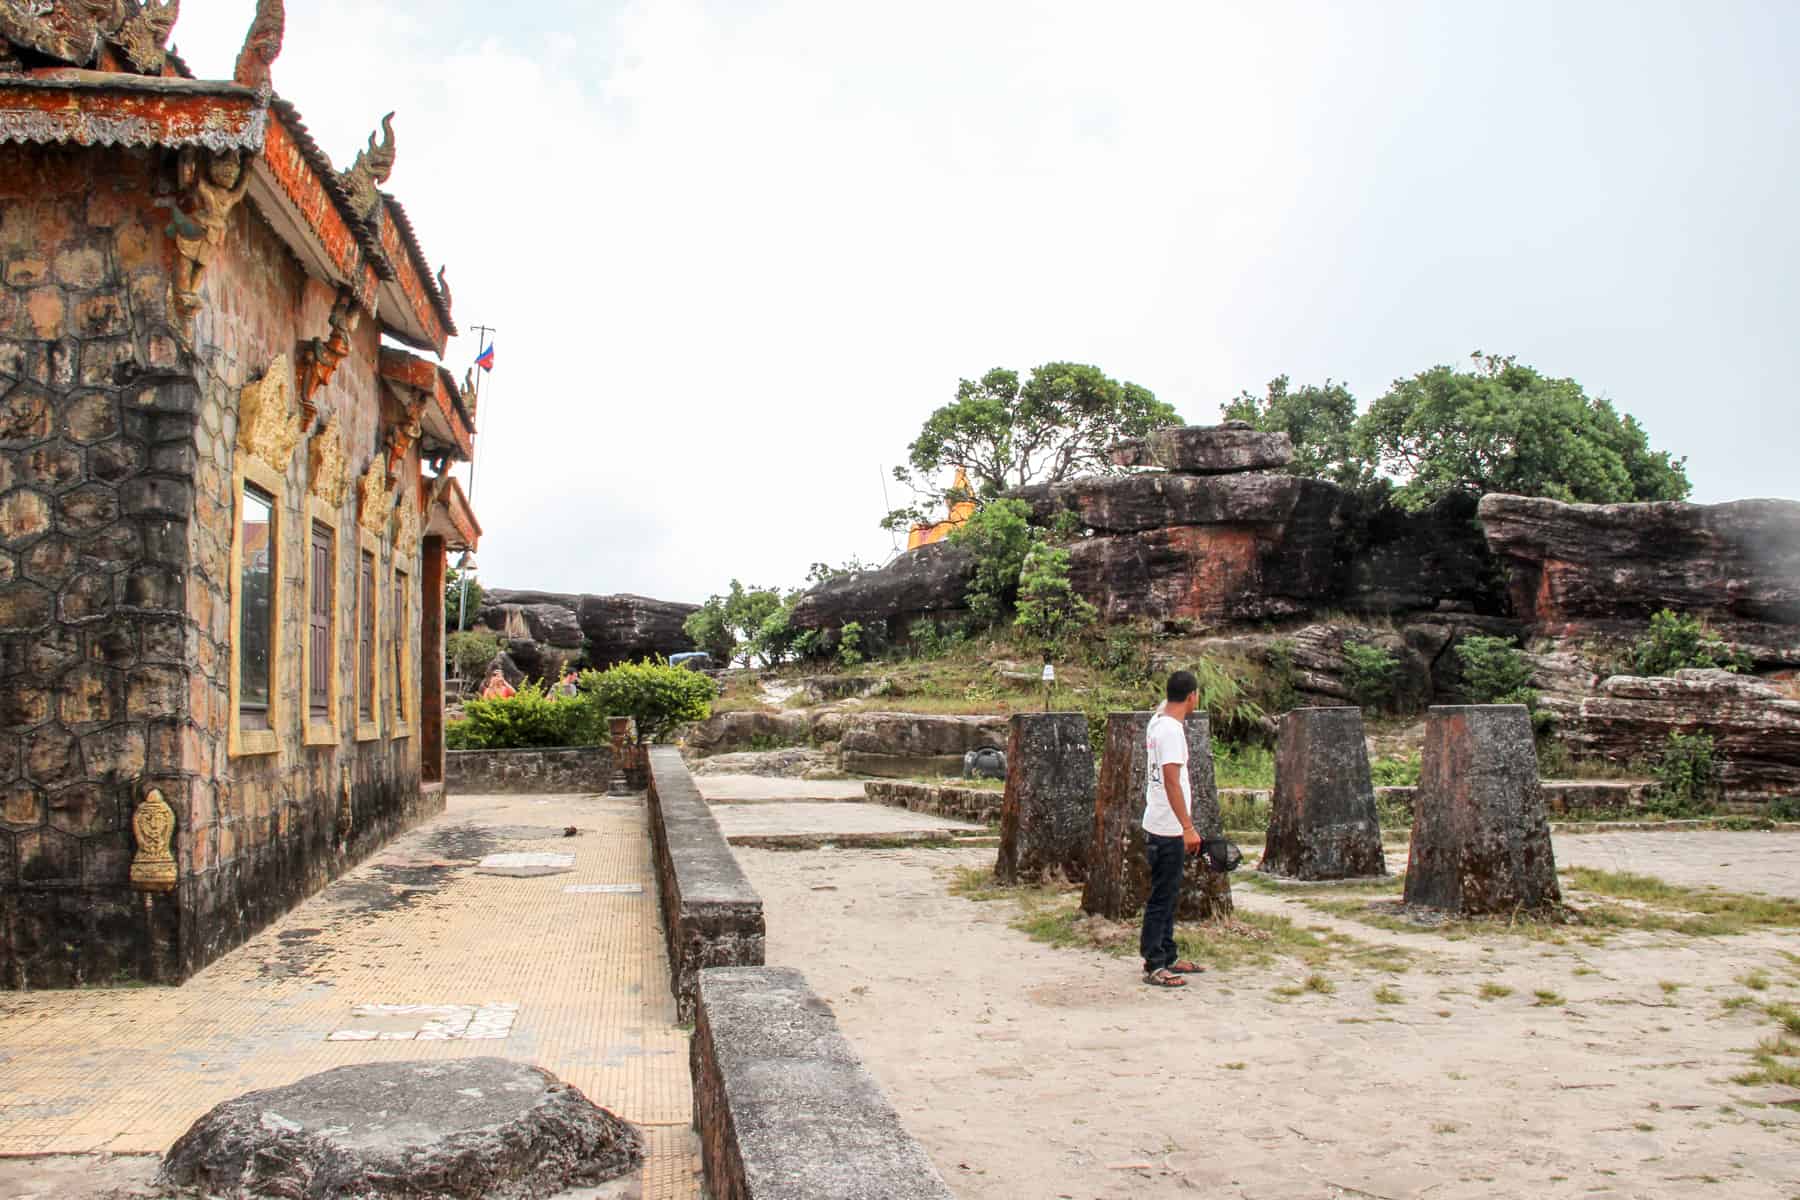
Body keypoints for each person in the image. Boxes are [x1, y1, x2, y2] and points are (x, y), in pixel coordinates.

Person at [1141, 670, 1206, 988]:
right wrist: (1187, 826)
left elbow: (1161, 705)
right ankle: (1155, 961)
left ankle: (1167, 953)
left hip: (1161, 821)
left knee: (1169, 893)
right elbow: (1171, 780)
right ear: (1193, 696)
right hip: (1168, 826)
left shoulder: (1159, 721)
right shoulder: (1171, 732)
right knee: (1161, 897)